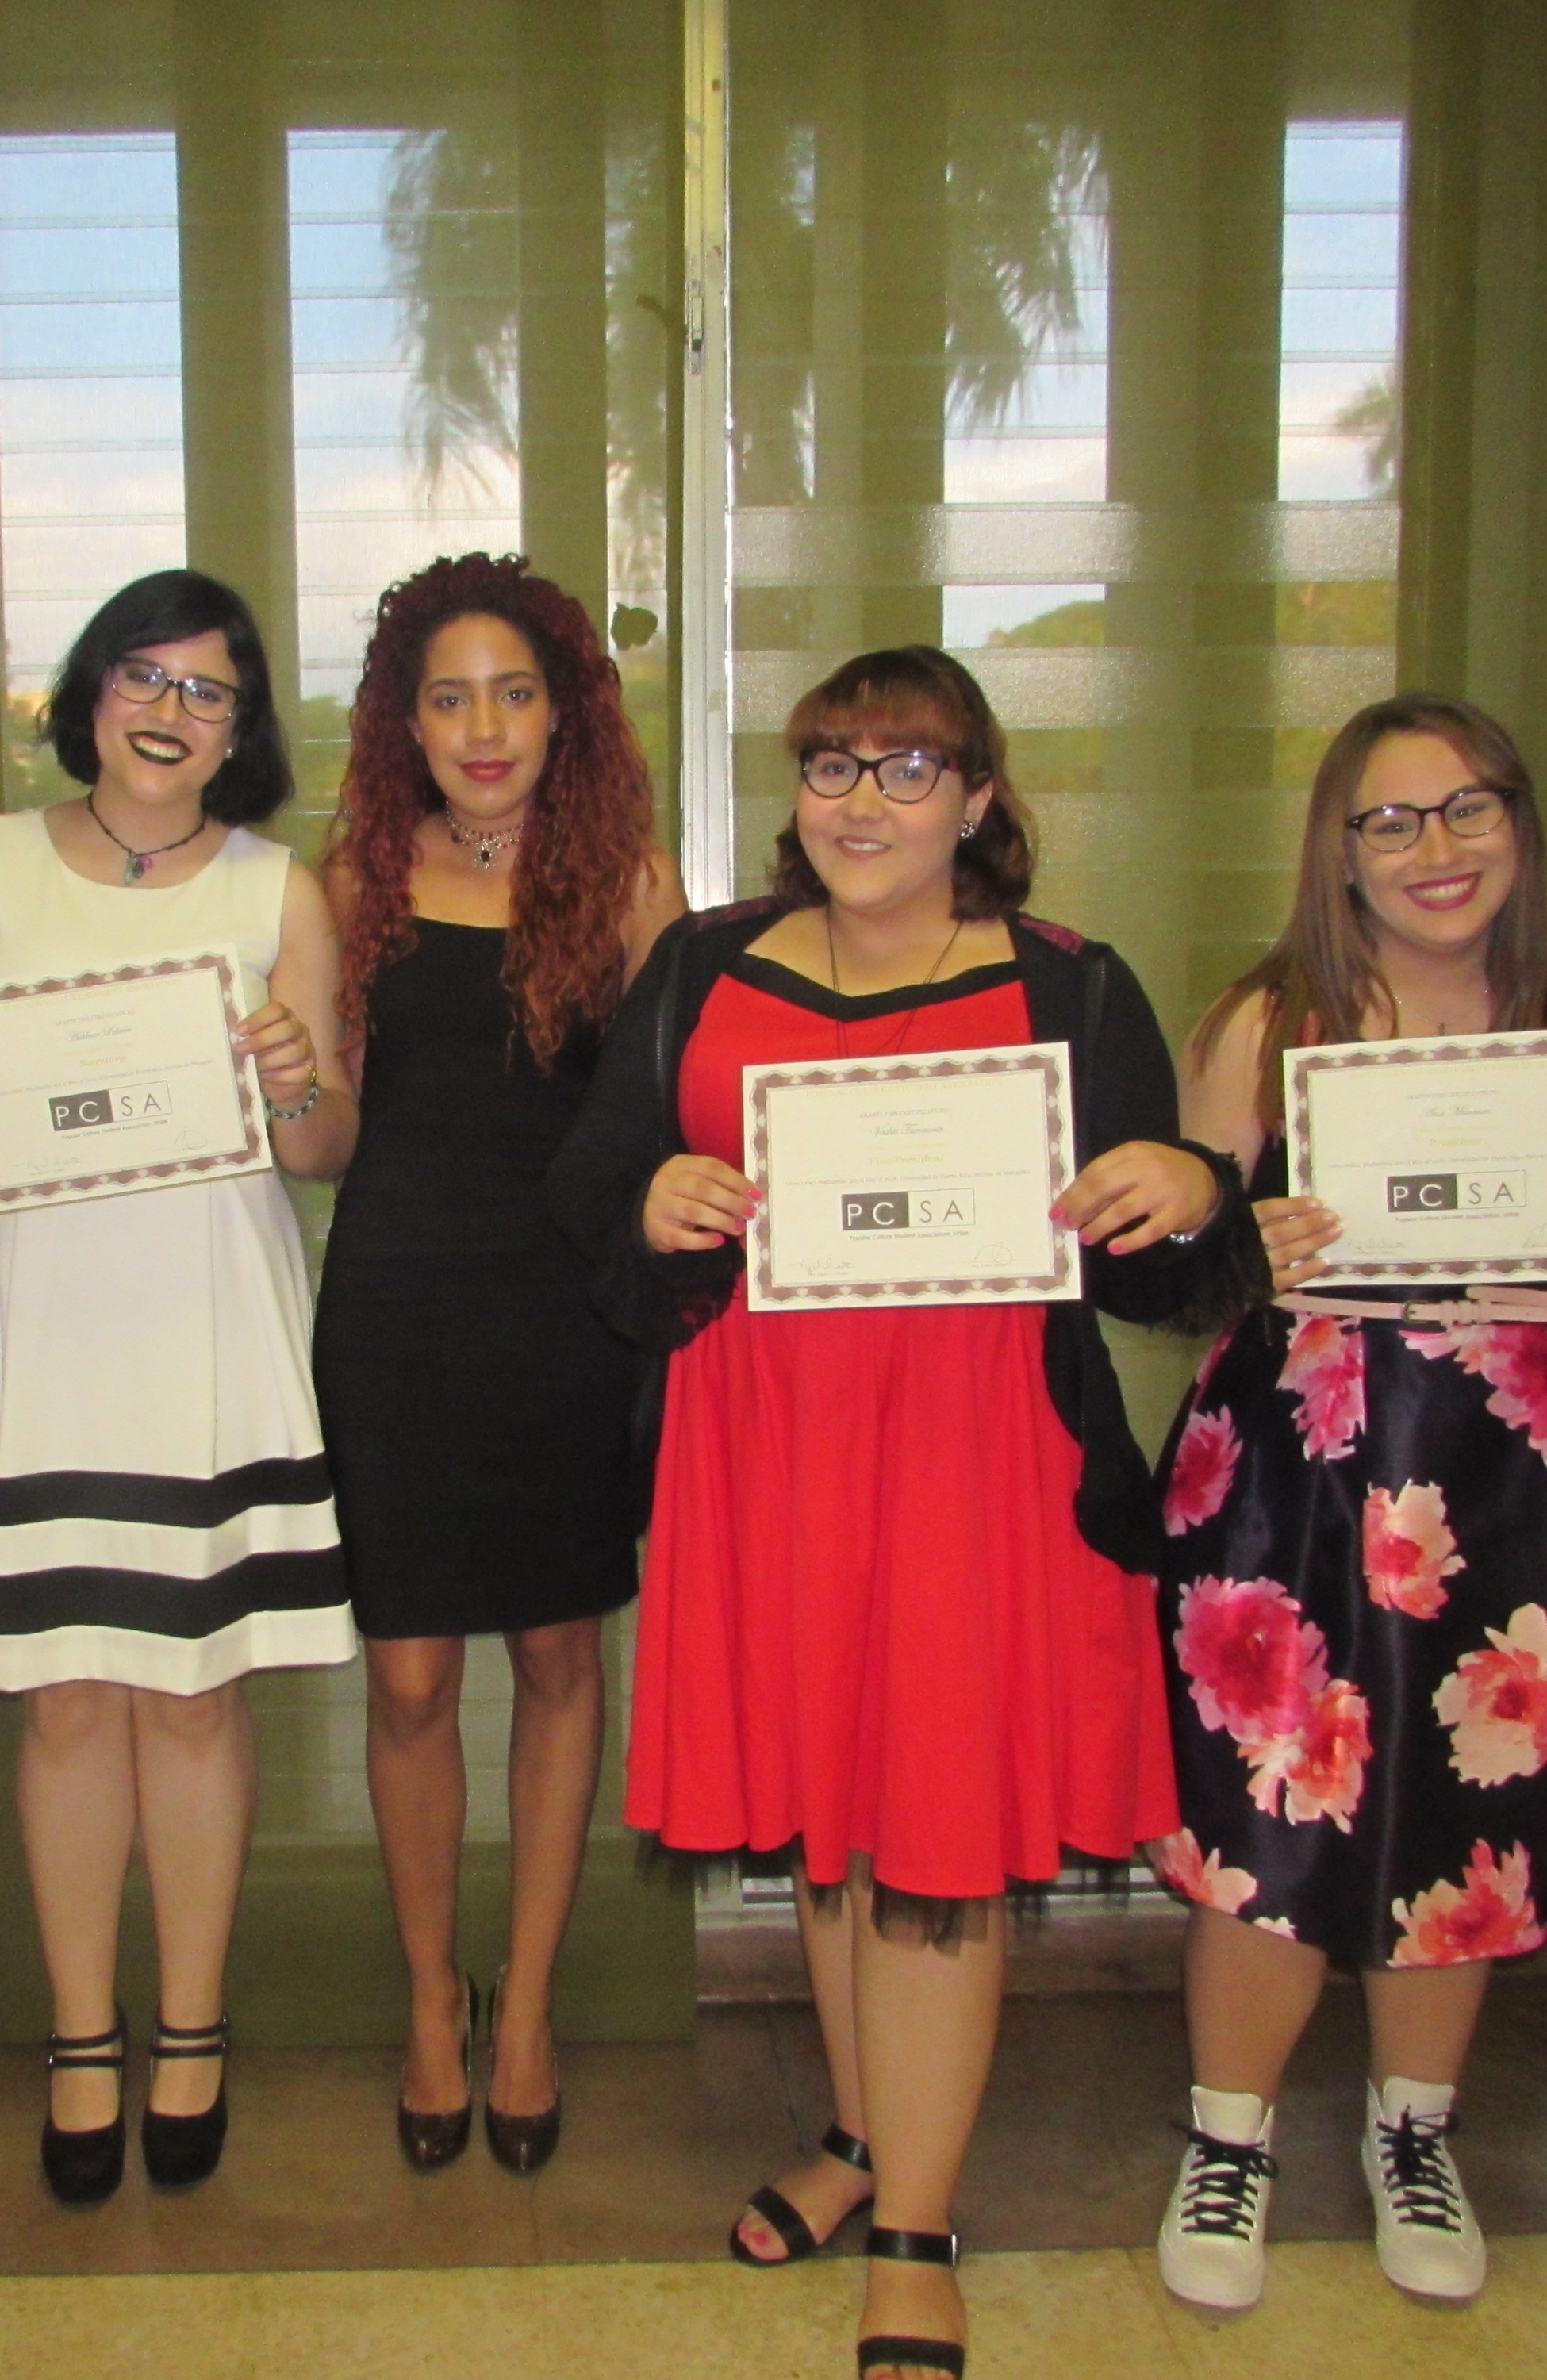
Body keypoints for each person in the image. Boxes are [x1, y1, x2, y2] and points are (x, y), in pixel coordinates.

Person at [549, 646, 1258, 2380]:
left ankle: (920, 2229)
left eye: (908, 769)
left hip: (975, 1464)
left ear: (979, 802)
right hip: (761, 1454)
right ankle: (865, 2145)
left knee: (927, 1830)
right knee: (822, 1812)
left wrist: (1184, 1188)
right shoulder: (705, 963)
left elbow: (1169, 1273)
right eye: (832, 766)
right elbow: (586, 1185)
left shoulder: (1072, 988)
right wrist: (648, 1193)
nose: (864, 801)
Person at [0, 570, 358, 2205]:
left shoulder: (278, 889)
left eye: (207, 689)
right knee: (66, 1692)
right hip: (43, 1315)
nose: (167, 709)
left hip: (204, 1318)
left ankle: (194, 2026)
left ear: (241, 727)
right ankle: (81, 2035)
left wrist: (298, 1079)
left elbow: (326, 1151)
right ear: (85, 693)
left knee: (194, 1695)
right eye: (140, 675)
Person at [313, 553, 683, 2172]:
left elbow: (678, 1120)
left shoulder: (627, 882)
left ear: (563, 711)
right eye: (448, 695)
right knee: (404, 1678)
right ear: (404, 718)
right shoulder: (349, 880)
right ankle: (423, 1996)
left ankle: (522, 2001)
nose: (482, 727)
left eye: (513, 692)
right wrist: (272, 1078)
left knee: (552, 1659)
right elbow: (323, 1143)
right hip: (394, 1304)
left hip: (563, 1317)